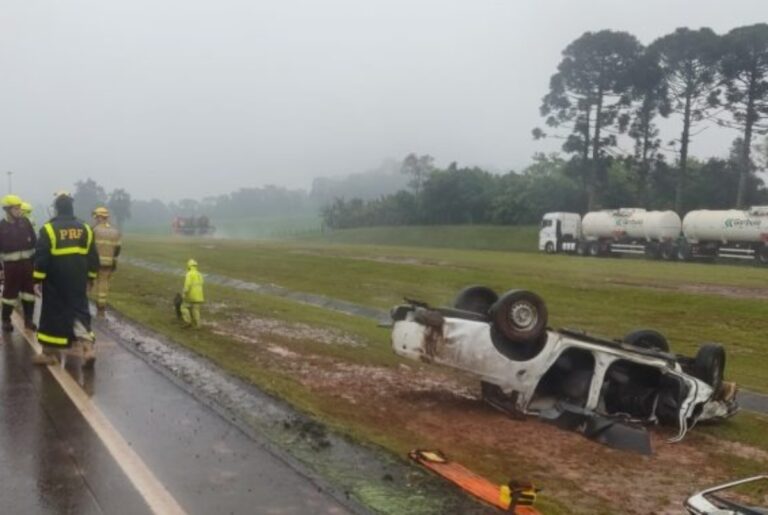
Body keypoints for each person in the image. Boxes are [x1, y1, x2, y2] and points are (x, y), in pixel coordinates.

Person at [32, 192, 99, 367]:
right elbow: (93, 256)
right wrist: (90, 278)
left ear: (56, 209)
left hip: (55, 281)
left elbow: (41, 257)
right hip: (78, 279)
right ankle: (88, 348)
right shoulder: (85, 228)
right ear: (71, 208)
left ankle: (49, 353)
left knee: (52, 314)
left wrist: (37, 279)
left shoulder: (48, 229)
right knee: (78, 311)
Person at [0, 194, 37, 332]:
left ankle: (29, 320)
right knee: (9, 295)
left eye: (19, 208)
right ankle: (5, 320)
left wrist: (35, 263)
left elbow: (34, 242)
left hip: (27, 265)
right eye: (16, 208)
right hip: (11, 267)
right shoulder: (1, 226)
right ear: (7, 209)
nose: (19, 211)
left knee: (29, 293)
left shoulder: (25, 222)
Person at [91, 206, 121, 317]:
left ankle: (83, 305)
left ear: (99, 217)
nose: (95, 220)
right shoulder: (115, 231)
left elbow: (89, 247)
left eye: (96, 217)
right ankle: (101, 309)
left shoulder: (94, 230)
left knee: (88, 283)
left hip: (93, 263)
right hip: (108, 264)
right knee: (103, 285)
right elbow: (117, 249)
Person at [180, 259, 204, 328]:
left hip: (191, 295)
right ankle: (198, 324)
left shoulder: (189, 274)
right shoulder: (199, 274)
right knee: (196, 310)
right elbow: (202, 283)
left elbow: (187, 285)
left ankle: (188, 321)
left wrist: (184, 293)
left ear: (189, 266)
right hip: (199, 296)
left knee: (183, 307)